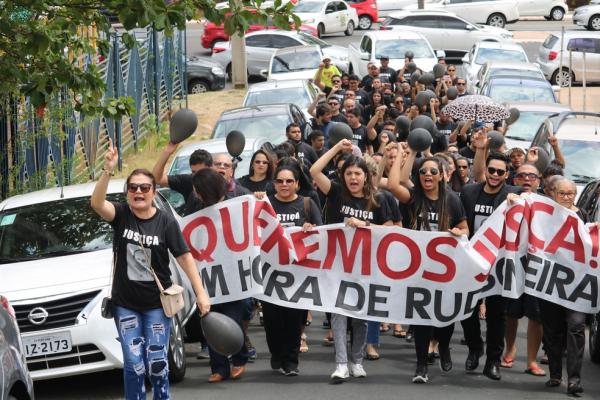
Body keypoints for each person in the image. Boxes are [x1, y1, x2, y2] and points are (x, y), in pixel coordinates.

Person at [91, 139, 211, 399]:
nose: (139, 192)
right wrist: (107, 170)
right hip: (126, 304)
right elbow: (97, 204)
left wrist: (201, 293)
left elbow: (185, 258)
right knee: (134, 365)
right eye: (133, 187)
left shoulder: (165, 222)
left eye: (145, 187)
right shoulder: (122, 215)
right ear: (127, 193)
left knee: (157, 364)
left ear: (154, 192)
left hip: (158, 305)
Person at [310, 139, 394, 383]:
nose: (353, 178)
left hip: (367, 268)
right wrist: (337, 149)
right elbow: (314, 171)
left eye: (358, 173)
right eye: (349, 173)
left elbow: (390, 230)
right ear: (342, 175)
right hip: (337, 267)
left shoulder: (378, 200)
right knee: (338, 315)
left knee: (360, 317)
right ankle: (341, 364)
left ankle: (357, 361)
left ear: (366, 177)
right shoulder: (335, 192)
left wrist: (365, 225)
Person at [387, 144, 468, 384]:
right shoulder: (414, 198)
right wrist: (403, 153)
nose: (428, 176)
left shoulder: (452, 200)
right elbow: (392, 185)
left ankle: (443, 346)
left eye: (433, 172)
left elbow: (465, 229)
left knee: (444, 318)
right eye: (423, 172)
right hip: (418, 271)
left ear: (442, 176)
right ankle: (421, 364)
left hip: (444, 271)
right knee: (422, 319)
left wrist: (457, 232)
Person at [459, 152, 522, 381]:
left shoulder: (514, 195)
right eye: (491, 170)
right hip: (472, 262)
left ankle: (493, 361)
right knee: (467, 310)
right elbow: (459, 219)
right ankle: (475, 348)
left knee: (497, 314)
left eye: (500, 172)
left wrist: (519, 204)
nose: (495, 175)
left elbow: (534, 204)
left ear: (507, 174)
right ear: (485, 170)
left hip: (499, 264)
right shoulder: (468, 192)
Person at [258, 165, 322, 376]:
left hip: (298, 274)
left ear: (296, 183)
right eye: (280, 181)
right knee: (272, 320)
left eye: (288, 181)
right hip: (270, 274)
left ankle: (291, 361)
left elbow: (322, 233)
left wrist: (310, 230)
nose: (284, 185)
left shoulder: (307, 203)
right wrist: (255, 200)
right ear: (274, 184)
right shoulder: (265, 204)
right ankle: (276, 353)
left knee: (295, 320)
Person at [191, 168, 251, 382]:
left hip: (234, 276)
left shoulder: (236, 203)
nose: (194, 193)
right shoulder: (196, 206)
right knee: (210, 321)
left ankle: (239, 358)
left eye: (197, 189)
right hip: (209, 277)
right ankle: (219, 368)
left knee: (231, 320)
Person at [533, 178, 586, 396]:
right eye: (562, 193)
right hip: (550, 283)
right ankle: (555, 374)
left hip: (577, 285)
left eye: (570, 194)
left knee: (576, 327)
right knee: (553, 330)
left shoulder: (583, 215)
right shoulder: (544, 213)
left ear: (575, 195)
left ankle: (574, 380)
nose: (566, 197)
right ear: (553, 193)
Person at [152, 144, 213, 216]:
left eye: (201, 172)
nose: (197, 177)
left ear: (211, 169)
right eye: (194, 172)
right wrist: (167, 152)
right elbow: (156, 178)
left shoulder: (222, 184)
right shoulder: (188, 181)